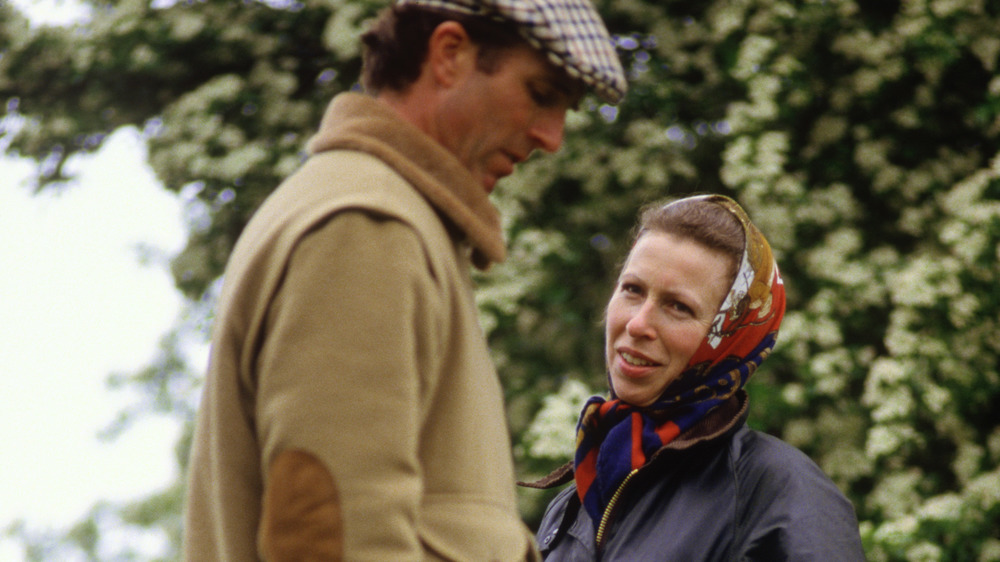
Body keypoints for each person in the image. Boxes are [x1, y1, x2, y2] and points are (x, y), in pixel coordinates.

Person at [182, 0, 627, 560]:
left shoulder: (383, 213)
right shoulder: (367, 227)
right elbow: (330, 538)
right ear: (449, 54)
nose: (552, 137)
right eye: (541, 93)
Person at [525, 195, 866, 560]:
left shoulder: (780, 495)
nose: (638, 323)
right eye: (632, 290)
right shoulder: (574, 501)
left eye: (678, 306)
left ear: (731, 337)